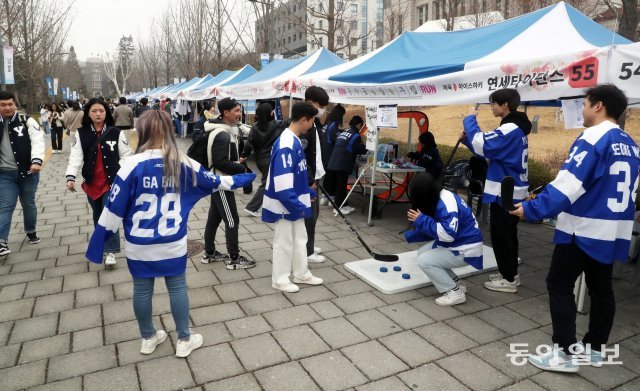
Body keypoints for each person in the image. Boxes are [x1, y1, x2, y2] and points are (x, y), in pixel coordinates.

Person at [86, 110, 255, 357]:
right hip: (173, 240)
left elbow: (112, 209)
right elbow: (217, 182)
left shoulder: (129, 165)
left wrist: (99, 241)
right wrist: (247, 176)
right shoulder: (181, 161)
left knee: (142, 290)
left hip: (139, 243)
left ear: (141, 131)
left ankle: (148, 337)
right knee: (177, 287)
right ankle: (184, 339)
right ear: (168, 130)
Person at [510, 85, 639, 373]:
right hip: (612, 229)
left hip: (583, 227)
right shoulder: (631, 144)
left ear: (598, 106)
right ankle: (594, 348)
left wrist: (531, 209)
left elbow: (568, 184)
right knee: (601, 289)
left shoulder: (592, 138)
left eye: (584, 104)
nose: (581, 109)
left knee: (559, 284)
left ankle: (564, 353)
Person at [460, 88, 531, 293]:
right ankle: (509, 272)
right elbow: (487, 150)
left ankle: (508, 279)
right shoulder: (515, 128)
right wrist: (467, 140)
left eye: (494, 104)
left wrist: (470, 119)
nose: (492, 107)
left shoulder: (511, 128)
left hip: (506, 190)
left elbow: (482, 142)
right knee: (506, 233)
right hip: (508, 188)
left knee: (503, 235)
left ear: (505, 105)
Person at [263, 102, 324, 293]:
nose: (312, 125)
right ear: (304, 119)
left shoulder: (295, 139)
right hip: (285, 204)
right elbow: (282, 185)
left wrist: (308, 194)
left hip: (294, 202)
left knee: (300, 239)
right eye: (312, 121)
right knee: (284, 242)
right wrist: (298, 205)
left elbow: (298, 173)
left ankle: (301, 273)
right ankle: (280, 279)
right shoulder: (286, 144)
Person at [65, 98, 132, 266]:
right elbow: (76, 157)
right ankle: (102, 245)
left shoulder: (116, 132)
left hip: (112, 183)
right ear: (88, 113)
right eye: (94, 111)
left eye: (101, 111)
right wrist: (70, 177)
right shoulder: (81, 134)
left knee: (109, 215)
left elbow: (127, 154)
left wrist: (119, 170)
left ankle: (111, 251)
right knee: (98, 215)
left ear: (106, 112)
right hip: (92, 182)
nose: (98, 114)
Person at [404, 173, 483, 306]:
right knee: (422, 253)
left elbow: (447, 234)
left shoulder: (446, 202)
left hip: (466, 249)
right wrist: (411, 235)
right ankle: (457, 284)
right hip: (460, 243)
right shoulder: (440, 195)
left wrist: (421, 220)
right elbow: (437, 228)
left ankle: (454, 292)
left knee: (425, 261)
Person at [201, 98, 255, 270]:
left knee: (214, 218)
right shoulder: (222, 134)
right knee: (232, 220)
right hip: (222, 183)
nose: (240, 114)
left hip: (220, 181)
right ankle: (234, 258)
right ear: (225, 113)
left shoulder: (224, 130)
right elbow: (220, 162)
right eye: (237, 111)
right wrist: (241, 168)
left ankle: (209, 253)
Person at [0, 91, 45, 256]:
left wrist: (37, 161)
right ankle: (1, 242)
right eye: (3, 105)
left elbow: (38, 140)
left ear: (15, 104)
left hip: (28, 172)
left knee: (28, 203)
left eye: (10, 104)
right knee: (5, 206)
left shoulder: (26, 120)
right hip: (5, 174)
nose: (7, 108)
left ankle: (31, 230)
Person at [301, 86, 330, 263]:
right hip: (308, 179)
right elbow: (303, 156)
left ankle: (309, 244)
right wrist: (310, 179)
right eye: (320, 106)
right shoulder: (305, 125)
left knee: (315, 213)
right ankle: (307, 251)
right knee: (309, 215)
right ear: (310, 103)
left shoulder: (315, 123)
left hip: (316, 175)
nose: (322, 110)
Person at [241, 102, 284, 217]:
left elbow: (249, 144)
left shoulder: (255, 126)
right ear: (270, 113)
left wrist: (243, 156)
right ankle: (252, 207)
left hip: (259, 160)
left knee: (273, 182)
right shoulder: (278, 125)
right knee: (266, 183)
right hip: (271, 159)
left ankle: (275, 205)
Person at [327, 115, 367, 215]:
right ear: (358, 125)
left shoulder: (344, 131)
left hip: (333, 161)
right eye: (361, 126)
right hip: (342, 163)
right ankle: (339, 207)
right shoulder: (355, 135)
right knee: (341, 185)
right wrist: (368, 147)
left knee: (339, 184)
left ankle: (342, 204)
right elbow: (360, 150)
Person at [319, 105, 345, 206]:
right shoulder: (333, 125)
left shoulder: (327, 123)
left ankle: (324, 197)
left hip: (324, 153)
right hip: (330, 154)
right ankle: (331, 197)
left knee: (327, 176)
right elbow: (336, 140)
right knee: (331, 176)